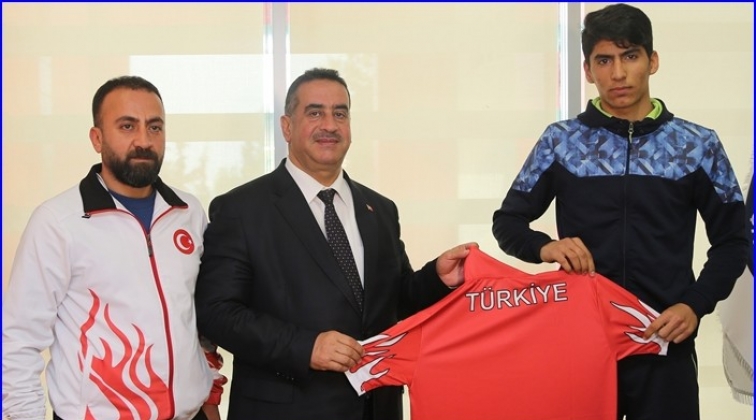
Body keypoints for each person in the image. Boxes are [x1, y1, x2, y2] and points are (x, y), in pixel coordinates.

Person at [492, 3, 749, 420]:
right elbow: (507, 221)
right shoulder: (561, 142)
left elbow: (734, 241)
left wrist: (694, 304)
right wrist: (545, 247)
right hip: (582, 345)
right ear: (588, 70)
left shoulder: (698, 145)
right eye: (604, 60)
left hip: (666, 344)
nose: (618, 73)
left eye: (630, 56)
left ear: (653, 60)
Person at [194, 67, 474, 420]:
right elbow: (217, 313)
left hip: (377, 407)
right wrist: (305, 347)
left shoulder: (380, 210)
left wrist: (437, 278)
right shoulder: (242, 209)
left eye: (340, 114)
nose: (329, 125)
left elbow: (394, 302)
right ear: (287, 127)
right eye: (315, 113)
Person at [2, 76, 225, 420]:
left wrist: (209, 401)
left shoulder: (188, 212)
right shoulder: (58, 222)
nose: (144, 141)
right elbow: (18, 342)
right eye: (127, 126)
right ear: (97, 138)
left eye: (154, 127)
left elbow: (200, 323)